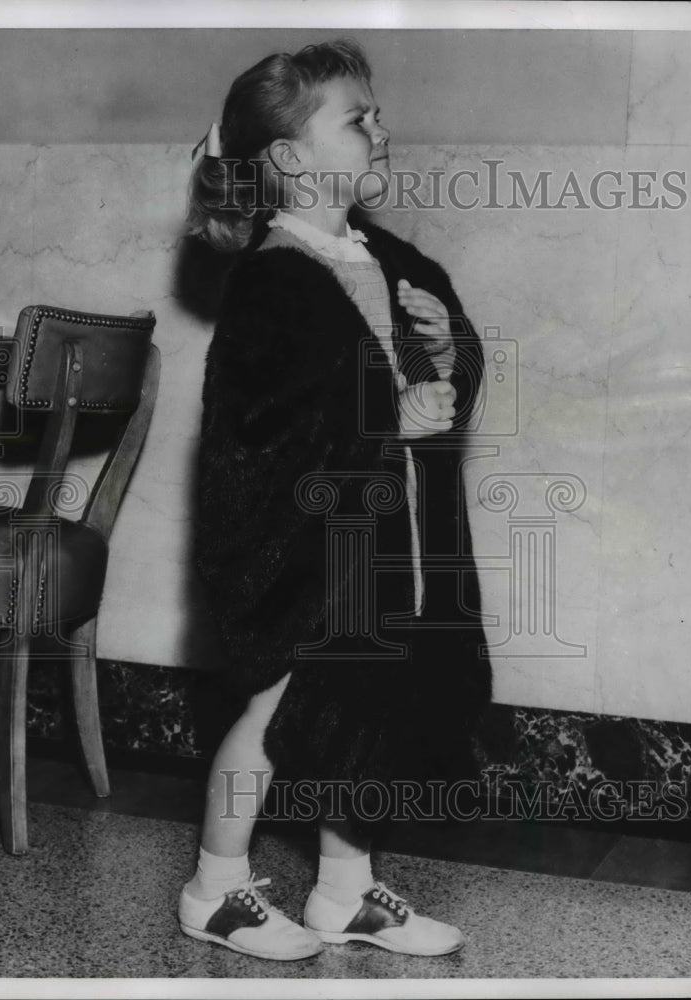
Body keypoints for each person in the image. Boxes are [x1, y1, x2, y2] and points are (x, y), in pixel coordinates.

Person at [179, 38, 492, 962]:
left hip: (380, 539)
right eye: (357, 118)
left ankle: (345, 892)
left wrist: (446, 356)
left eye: (376, 112)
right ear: (288, 157)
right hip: (303, 544)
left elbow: (439, 366)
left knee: (372, 708)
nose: (380, 126)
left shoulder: (379, 254)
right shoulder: (274, 279)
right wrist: (387, 416)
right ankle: (215, 886)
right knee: (277, 713)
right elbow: (267, 426)